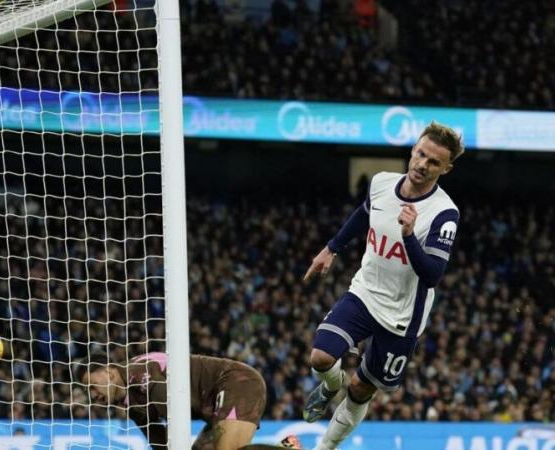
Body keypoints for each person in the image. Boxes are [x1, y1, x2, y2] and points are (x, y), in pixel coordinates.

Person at [302, 122, 464, 450]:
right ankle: (332, 385)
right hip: (365, 292)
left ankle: (325, 448)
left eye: (434, 162)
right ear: (412, 150)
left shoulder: (444, 213)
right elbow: (363, 215)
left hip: (403, 315)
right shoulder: (381, 183)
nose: (423, 164)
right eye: (421, 154)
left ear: (446, 168)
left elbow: (432, 275)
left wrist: (409, 236)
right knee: (320, 357)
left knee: (362, 389)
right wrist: (331, 248)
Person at [76, 351, 301, 450]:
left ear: (109, 371)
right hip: (215, 404)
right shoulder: (132, 401)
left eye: (91, 385)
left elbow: (174, 413)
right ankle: (285, 447)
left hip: (236, 382)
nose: (92, 395)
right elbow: (158, 440)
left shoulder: (140, 372)